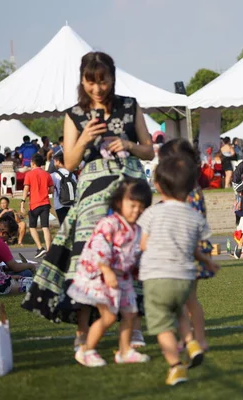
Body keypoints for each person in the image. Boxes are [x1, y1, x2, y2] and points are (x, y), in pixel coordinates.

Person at [22, 52, 154, 352]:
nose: (98, 88)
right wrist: (84, 139)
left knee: (131, 256)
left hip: (130, 186)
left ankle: (132, 328)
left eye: (103, 81)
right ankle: (82, 332)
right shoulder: (74, 114)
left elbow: (150, 151)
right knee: (89, 258)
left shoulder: (129, 106)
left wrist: (130, 145)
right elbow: (68, 162)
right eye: (91, 82)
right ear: (82, 80)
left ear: (112, 78)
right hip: (92, 190)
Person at [137, 155, 219, 385]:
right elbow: (194, 248)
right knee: (181, 311)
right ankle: (191, 342)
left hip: (157, 277)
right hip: (184, 277)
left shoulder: (152, 213)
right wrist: (208, 262)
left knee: (162, 326)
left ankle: (175, 366)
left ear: (158, 185)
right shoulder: (193, 216)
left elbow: (143, 244)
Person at [68, 180, 152, 367]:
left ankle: (124, 351)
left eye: (141, 207)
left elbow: (136, 255)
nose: (136, 210)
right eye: (132, 205)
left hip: (123, 277)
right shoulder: (109, 223)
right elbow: (99, 247)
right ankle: (86, 349)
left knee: (130, 313)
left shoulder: (137, 230)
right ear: (119, 202)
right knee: (108, 316)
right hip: (100, 276)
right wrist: (106, 270)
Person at [158, 139, 214, 353]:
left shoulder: (188, 190)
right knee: (188, 300)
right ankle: (192, 339)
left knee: (186, 300)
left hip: (188, 250)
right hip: (190, 248)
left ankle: (196, 339)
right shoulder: (192, 186)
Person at [0, 218, 32, 296]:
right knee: (27, 276)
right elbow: (14, 267)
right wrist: (30, 265)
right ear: (4, 233)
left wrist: (5, 271)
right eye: (9, 237)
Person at [21, 153, 53, 258]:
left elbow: (26, 189)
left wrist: (22, 201)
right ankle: (49, 250)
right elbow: (51, 189)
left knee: (32, 227)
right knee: (45, 227)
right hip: (45, 203)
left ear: (33, 163)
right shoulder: (47, 174)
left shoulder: (29, 174)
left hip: (34, 204)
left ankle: (40, 247)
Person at [51, 153, 77, 225]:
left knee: (63, 226)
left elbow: (50, 188)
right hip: (72, 203)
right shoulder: (72, 175)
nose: (54, 163)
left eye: (54, 161)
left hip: (59, 204)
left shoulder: (54, 175)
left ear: (58, 162)